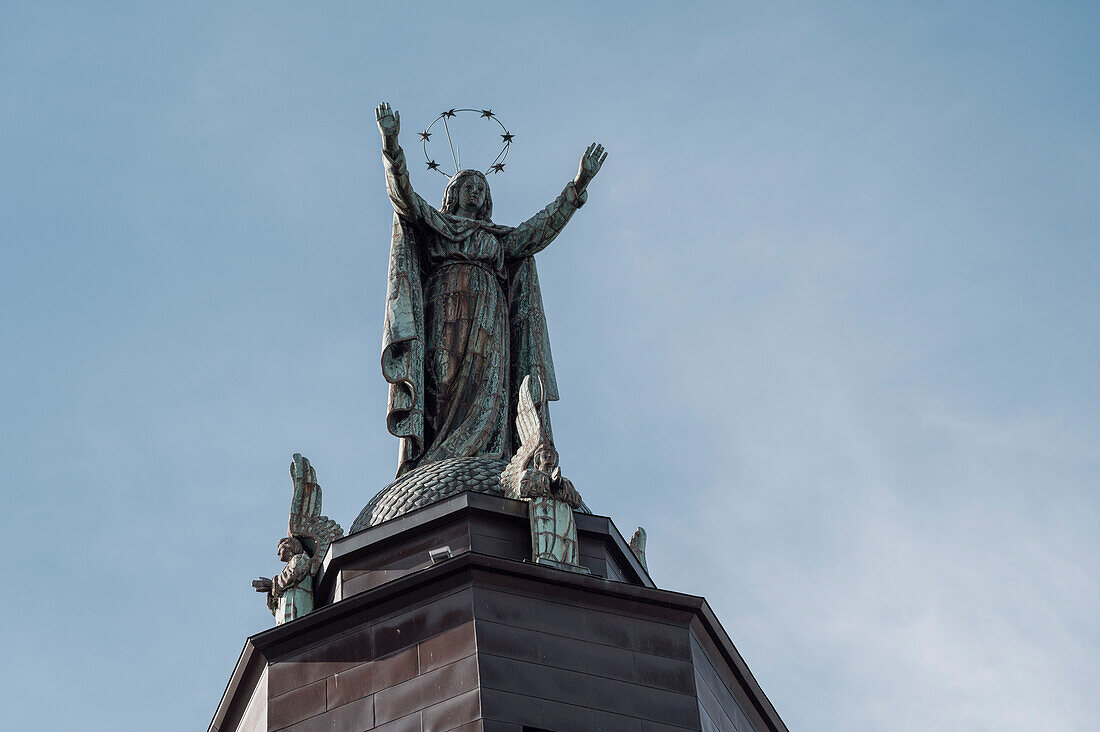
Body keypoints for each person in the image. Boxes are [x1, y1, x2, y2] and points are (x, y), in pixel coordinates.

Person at [375, 102, 606, 477]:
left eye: (482, 187)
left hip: (489, 315)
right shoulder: (435, 226)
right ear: (453, 193)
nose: (476, 191)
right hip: (444, 310)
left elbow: (538, 230)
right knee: (442, 376)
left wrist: (577, 187)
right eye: (468, 185)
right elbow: (404, 197)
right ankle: (437, 455)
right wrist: (391, 145)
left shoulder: (499, 240)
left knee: (488, 386)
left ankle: (486, 452)